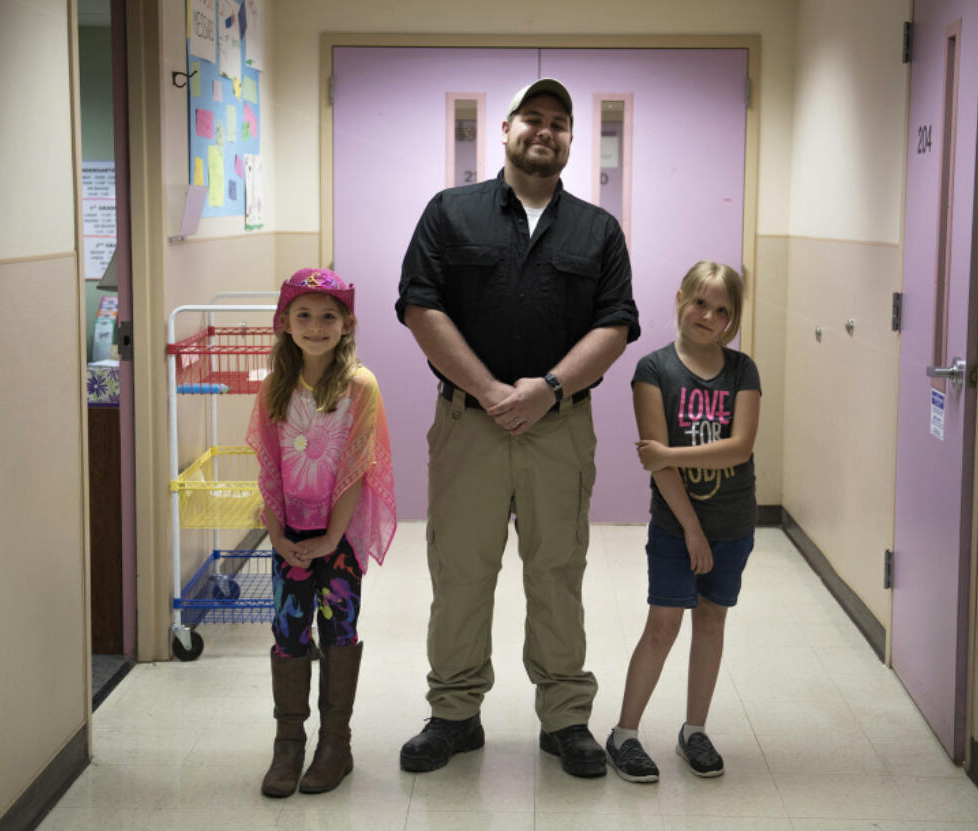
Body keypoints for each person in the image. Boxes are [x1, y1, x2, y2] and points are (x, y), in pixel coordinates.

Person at [396, 78, 640, 778]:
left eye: (559, 123)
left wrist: (550, 387)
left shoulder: (598, 230)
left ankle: (565, 717)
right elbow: (419, 305)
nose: (546, 130)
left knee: (558, 571)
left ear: (570, 140)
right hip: (469, 424)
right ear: (504, 130)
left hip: (558, 429)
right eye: (532, 119)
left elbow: (616, 323)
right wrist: (492, 389)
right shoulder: (451, 213)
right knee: (461, 569)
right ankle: (453, 711)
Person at [603, 261, 761, 784]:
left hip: (734, 522)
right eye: (700, 302)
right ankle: (625, 732)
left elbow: (739, 448)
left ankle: (695, 729)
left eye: (722, 310)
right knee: (663, 625)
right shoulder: (653, 370)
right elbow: (660, 473)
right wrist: (692, 528)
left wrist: (670, 451)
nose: (707, 316)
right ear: (680, 299)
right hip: (675, 526)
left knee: (712, 620)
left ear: (732, 320)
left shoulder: (743, 372)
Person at [248, 268, 396, 796]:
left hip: (340, 539)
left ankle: (336, 743)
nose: (315, 326)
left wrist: (332, 539)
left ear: (346, 323)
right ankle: (288, 743)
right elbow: (267, 467)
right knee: (289, 633)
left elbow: (358, 465)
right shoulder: (274, 387)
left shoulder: (359, 386)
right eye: (303, 316)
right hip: (289, 534)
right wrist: (277, 536)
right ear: (284, 323)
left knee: (338, 630)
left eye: (328, 316)